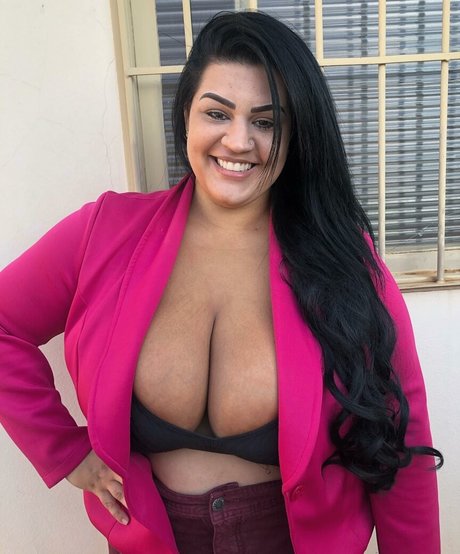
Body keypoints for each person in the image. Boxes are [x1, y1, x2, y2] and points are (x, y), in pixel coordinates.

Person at [0, 10, 442, 554]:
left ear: (294, 135)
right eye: (217, 113)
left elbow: (401, 433)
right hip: (152, 540)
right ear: (186, 114)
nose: (238, 140)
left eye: (266, 122)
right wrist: (65, 453)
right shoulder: (105, 233)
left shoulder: (343, 260)